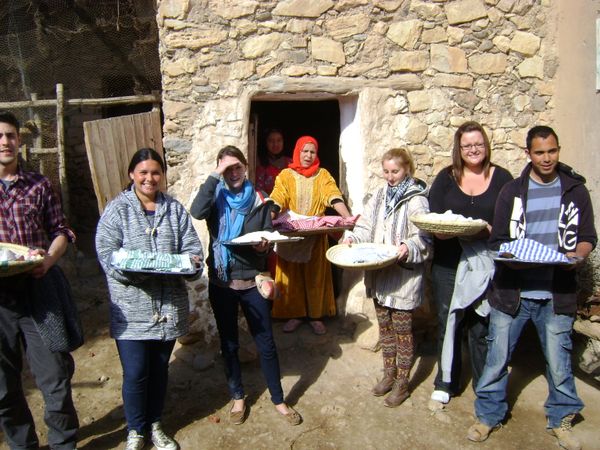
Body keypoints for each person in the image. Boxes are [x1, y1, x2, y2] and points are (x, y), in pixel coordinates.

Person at [467, 126, 596, 450]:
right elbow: (497, 242)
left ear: (558, 149)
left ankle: (562, 420)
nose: (547, 158)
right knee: (497, 359)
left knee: (559, 362)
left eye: (552, 151)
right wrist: (513, 255)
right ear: (529, 154)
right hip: (512, 293)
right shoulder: (512, 192)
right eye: (539, 152)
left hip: (557, 293)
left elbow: (587, 237)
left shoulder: (575, 191)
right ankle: (487, 416)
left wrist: (578, 256)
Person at [96, 148, 203, 450]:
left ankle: (155, 424)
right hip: (132, 310)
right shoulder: (117, 210)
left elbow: (193, 247)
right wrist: (140, 272)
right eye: (143, 172)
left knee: (158, 370)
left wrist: (192, 263)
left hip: (168, 309)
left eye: (155, 172)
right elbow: (106, 253)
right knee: (135, 372)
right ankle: (135, 430)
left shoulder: (175, 210)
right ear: (132, 174)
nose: (149, 178)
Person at [190, 145, 302, 426]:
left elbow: (265, 240)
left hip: (252, 281)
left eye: (238, 166)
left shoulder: (259, 198)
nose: (234, 172)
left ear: (246, 167)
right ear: (220, 171)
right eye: (228, 168)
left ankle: (279, 400)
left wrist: (264, 248)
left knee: (266, 343)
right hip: (222, 281)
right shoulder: (214, 197)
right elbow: (196, 210)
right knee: (229, 344)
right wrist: (216, 173)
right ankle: (238, 397)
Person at [0, 110, 80, 449]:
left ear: (19, 140)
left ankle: (64, 444)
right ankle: (23, 445)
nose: (4, 142)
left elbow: (61, 231)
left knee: (55, 378)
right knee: (3, 387)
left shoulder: (39, 185)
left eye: (10, 135)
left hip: (38, 289)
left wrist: (47, 260)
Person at [428, 121, 513, 409]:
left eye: (478, 144)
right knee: (448, 319)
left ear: (486, 145)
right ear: (458, 149)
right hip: (449, 261)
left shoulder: (502, 178)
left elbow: (513, 220)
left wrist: (493, 230)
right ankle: (445, 381)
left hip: (487, 262)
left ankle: (482, 382)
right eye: (467, 146)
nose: (473, 150)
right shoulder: (446, 178)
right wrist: (440, 231)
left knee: (481, 323)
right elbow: (434, 219)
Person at [343, 148, 432, 407]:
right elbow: (365, 224)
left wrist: (408, 247)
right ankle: (388, 375)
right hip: (381, 274)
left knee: (403, 331)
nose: (390, 176)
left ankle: (403, 383)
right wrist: (352, 237)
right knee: (385, 328)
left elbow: (424, 236)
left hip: (403, 277)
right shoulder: (381, 195)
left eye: (396, 171)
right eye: (387, 171)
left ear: (407, 170)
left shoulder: (416, 199)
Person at [270, 135, 352, 335]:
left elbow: (332, 195)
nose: (308, 155)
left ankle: (316, 315)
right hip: (292, 233)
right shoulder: (286, 175)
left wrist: (347, 217)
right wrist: (269, 215)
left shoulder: (322, 175)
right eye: (304, 151)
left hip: (316, 234)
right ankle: (295, 314)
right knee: (292, 276)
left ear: (316, 154)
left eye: (312, 151)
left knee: (316, 275)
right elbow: (278, 197)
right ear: (297, 151)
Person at [255, 128, 291, 194]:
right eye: (271, 141)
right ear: (265, 143)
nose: (275, 144)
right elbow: (259, 191)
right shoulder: (259, 163)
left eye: (279, 140)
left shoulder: (291, 163)